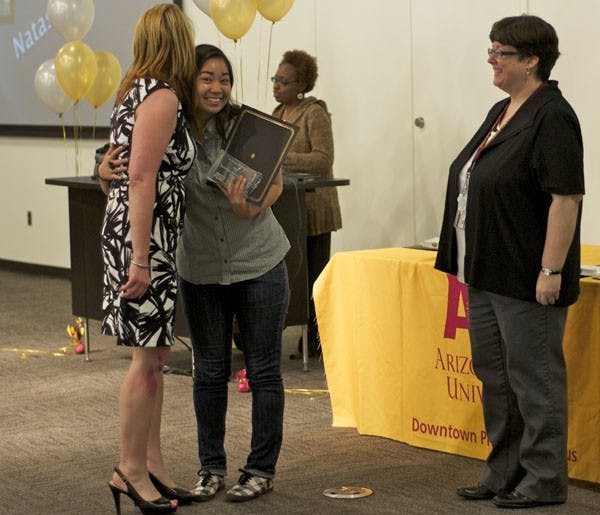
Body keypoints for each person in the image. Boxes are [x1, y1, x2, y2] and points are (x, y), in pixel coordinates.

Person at [102, 44, 290, 504]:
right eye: (207, 77)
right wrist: (103, 171)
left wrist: (254, 202)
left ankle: (260, 469)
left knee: (264, 369)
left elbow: (277, 178)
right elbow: (130, 167)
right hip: (200, 266)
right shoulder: (170, 123)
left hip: (259, 260)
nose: (217, 87)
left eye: (224, 79)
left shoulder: (247, 124)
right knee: (208, 370)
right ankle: (212, 469)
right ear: (190, 80)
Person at [434, 15, 584, 509]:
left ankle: (544, 479)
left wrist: (551, 270)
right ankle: (504, 471)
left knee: (533, 378)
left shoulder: (552, 114)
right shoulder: (505, 108)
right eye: (491, 49)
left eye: (501, 51)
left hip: (525, 275)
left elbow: (566, 198)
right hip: (484, 271)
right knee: (494, 377)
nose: (491, 59)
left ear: (532, 60)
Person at [99, 4, 198, 514]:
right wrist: (141, 259)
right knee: (145, 361)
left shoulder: (134, 89)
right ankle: (129, 469)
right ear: (179, 41)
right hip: (145, 245)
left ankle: (152, 465)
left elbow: (119, 166)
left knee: (156, 357)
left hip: (145, 240)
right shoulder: (161, 96)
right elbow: (140, 177)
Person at [271, 50, 342, 357]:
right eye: (275, 79)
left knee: (314, 277)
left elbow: (324, 160)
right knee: (294, 276)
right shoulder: (276, 113)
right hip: (286, 208)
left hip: (315, 208)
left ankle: (316, 340)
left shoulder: (314, 113)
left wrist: (280, 158)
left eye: (283, 81)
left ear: (300, 84)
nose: (276, 86)